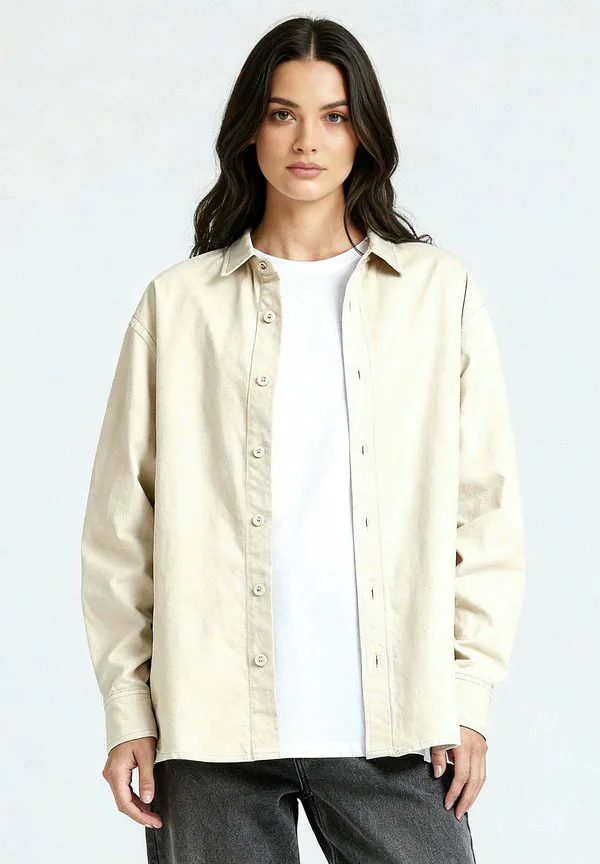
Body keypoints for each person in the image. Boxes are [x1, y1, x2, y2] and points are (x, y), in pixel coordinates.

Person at [80, 15, 525, 864]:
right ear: (250, 130)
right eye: (283, 114)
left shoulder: (437, 293)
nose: (307, 141)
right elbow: (119, 529)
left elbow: (485, 509)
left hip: (397, 724)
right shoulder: (179, 305)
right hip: (209, 728)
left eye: (334, 115)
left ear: (364, 133)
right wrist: (128, 710)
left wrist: (467, 693)